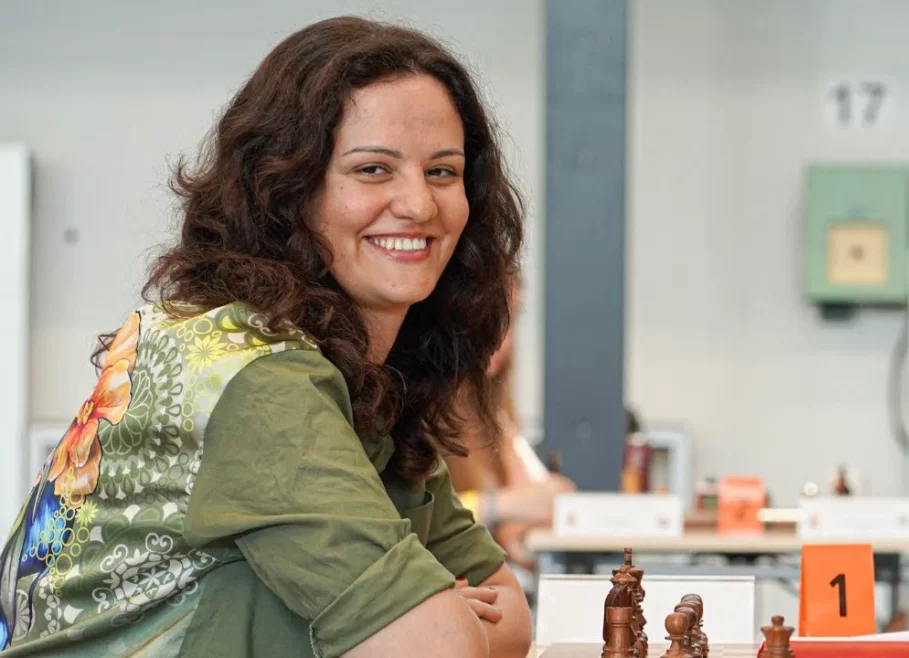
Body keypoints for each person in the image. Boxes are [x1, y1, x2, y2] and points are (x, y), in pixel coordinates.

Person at [0, 16, 532, 658]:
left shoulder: (361, 378)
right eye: (372, 169)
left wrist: (431, 618)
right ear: (286, 189)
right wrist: (431, 616)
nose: (419, 204)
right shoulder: (256, 374)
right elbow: (438, 649)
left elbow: (509, 617)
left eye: (443, 172)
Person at [445, 275, 576, 570]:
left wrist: (514, 520)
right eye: (488, 319)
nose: (503, 339)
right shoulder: (415, 409)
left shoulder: (492, 409)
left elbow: (545, 497)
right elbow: (409, 519)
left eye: (511, 319)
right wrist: (501, 507)